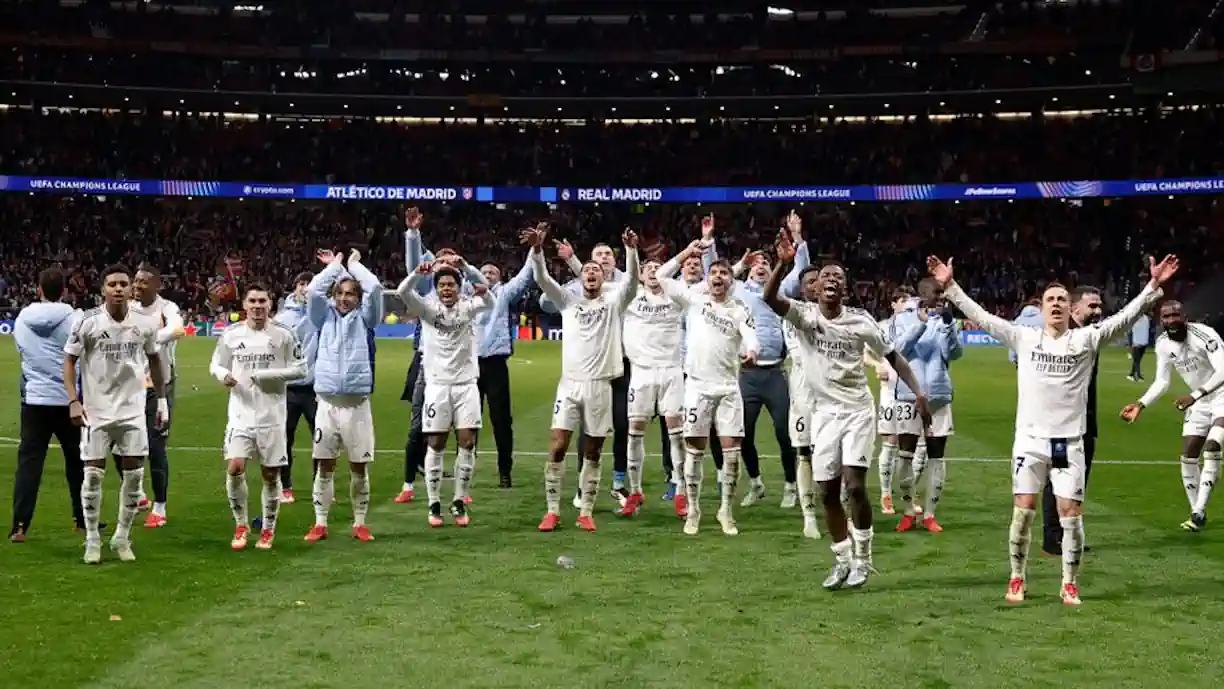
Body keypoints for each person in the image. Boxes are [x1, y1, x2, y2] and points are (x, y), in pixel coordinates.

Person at [930, 254, 1177, 606]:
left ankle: (1069, 582)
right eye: (1051, 299)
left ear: (1070, 307)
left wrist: (1153, 287)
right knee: (1024, 511)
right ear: (1042, 307)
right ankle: (1017, 578)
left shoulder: (1087, 340)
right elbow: (981, 317)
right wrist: (951, 287)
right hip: (1030, 441)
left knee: (1071, 516)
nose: (1057, 304)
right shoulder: (1024, 338)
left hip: (1069, 441)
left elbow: (1125, 318)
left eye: (1062, 299)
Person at [764, 234, 929, 590]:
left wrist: (918, 392)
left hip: (856, 410)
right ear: (815, 287)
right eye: (826, 276)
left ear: (846, 289)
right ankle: (841, 559)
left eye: (839, 277)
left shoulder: (862, 323)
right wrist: (781, 262)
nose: (832, 281)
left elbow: (894, 357)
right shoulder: (803, 316)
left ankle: (864, 560)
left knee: (854, 486)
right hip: (823, 413)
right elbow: (769, 297)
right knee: (826, 491)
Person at [526, 226, 639, 532]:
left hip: (601, 385)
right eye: (586, 270)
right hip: (570, 384)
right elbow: (542, 279)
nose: (591, 273)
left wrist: (630, 250)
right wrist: (537, 251)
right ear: (580, 278)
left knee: (593, 450)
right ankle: (552, 511)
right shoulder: (568, 302)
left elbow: (632, 281)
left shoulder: (614, 303)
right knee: (558, 445)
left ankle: (586, 511)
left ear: (604, 279)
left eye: (596, 271)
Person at [64, 264, 170, 564]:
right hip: (96, 410)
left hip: (132, 410)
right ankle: (92, 539)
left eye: (124, 283)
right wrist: (73, 400)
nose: (120, 288)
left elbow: (155, 360)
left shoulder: (145, 323)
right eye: (113, 284)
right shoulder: (87, 322)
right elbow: (69, 361)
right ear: (103, 290)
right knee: (93, 476)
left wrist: (161, 401)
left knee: (134, 476)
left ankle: (122, 536)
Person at [658, 258, 759, 536]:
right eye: (713, 272)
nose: (718, 277)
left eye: (724, 273)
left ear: (731, 280)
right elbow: (661, 276)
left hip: (727, 388)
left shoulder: (739, 310)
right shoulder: (694, 300)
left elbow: (751, 337)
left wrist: (752, 351)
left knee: (732, 455)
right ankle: (693, 509)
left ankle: (726, 510)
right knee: (695, 451)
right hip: (698, 388)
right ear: (707, 278)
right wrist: (688, 251)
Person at [716, 218, 807, 509]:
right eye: (758, 263)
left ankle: (791, 485)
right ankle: (756, 483)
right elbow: (718, 276)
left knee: (785, 432)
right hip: (747, 375)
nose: (762, 265)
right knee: (744, 433)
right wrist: (741, 264)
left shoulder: (781, 289)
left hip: (776, 374)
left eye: (767, 262)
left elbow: (802, 270)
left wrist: (797, 237)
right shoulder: (739, 290)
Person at [209, 284, 307, 550]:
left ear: (270, 304)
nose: (257, 306)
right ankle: (241, 524)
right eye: (252, 301)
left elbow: (301, 369)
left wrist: (265, 375)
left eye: (262, 300)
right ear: (244, 305)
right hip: (240, 414)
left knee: (270, 475)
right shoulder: (231, 334)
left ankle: (267, 528)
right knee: (235, 467)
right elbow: (216, 363)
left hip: (272, 415)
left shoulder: (284, 334)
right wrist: (222, 375)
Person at [396, 260, 493, 527]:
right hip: (437, 385)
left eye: (451, 284)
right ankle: (434, 502)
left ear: (459, 288)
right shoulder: (427, 310)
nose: (446, 289)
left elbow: (490, 300)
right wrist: (417, 274)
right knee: (435, 444)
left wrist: (469, 269)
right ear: (436, 288)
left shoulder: (468, 307)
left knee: (467, 442)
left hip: (465, 386)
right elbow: (403, 292)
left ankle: (460, 500)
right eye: (442, 285)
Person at [398, 209, 484, 503]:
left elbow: (489, 292)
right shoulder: (426, 286)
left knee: (467, 430)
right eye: (440, 263)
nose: (445, 268)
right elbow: (413, 264)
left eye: (450, 263)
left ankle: (463, 488)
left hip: (463, 368)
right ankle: (409, 484)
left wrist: (468, 268)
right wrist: (413, 234)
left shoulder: (465, 289)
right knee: (417, 427)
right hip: (427, 365)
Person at [545, 238, 635, 507]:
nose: (604, 258)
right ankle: (581, 488)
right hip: (586, 372)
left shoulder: (622, 286)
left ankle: (619, 483)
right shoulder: (578, 289)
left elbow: (629, 283)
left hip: (621, 365)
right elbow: (564, 290)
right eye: (598, 255)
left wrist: (575, 263)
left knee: (622, 425)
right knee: (584, 432)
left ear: (615, 261)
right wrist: (576, 264)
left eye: (608, 254)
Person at [1121, 300, 1224, 532]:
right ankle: (1197, 510)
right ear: (1161, 320)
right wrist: (1141, 404)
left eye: (1175, 315)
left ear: (1184, 316)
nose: (1171, 321)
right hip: (1198, 402)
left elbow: (1223, 369)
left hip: (1221, 396)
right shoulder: (1163, 344)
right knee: (1188, 456)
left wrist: (1195, 395)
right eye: (1166, 317)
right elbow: (1162, 381)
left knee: (1213, 445)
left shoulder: (1204, 335)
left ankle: (1198, 513)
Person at [304, 248, 383, 543]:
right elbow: (313, 291)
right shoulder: (323, 317)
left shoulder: (367, 319)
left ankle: (359, 523)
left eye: (350, 294)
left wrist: (353, 265)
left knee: (358, 466)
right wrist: (335, 267)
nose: (344, 298)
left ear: (358, 298)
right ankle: (320, 523)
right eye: (340, 293)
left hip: (357, 404)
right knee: (324, 465)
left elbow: (374, 287)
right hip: (326, 403)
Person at [10, 268, 84, 542]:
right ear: (64, 290)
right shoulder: (75, 319)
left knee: (29, 463)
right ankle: (82, 519)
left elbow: (23, 353)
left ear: (39, 289)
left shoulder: (22, 319)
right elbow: (81, 355)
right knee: (77, 461)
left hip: (35, 399)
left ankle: (19, 525)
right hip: (68, 399)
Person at [892, 278, 963, 534]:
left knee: (936, 456)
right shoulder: (902, 318)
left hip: (939, 396)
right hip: (908, 395)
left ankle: (930, 514)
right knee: (905, 455)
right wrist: (921, 324)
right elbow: (897, 350)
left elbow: (954, 354)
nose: (942, 298)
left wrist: (948, 326)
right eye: (937, 293)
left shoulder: (946, 320)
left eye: (944, 293)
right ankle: (909, 510)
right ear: (923, 294)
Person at [1038, 285, 1103, 557]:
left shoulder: (1089, 337)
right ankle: (1054, 537)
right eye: (1092, 306)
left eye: (1100, 306)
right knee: (1059, 478)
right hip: (1064, 425)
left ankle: (1065, 533)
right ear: (1074, 308)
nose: (1098, 311)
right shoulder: (1066, 338)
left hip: (1085, 421)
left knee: (1076, 481)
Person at [474, 241, 537, 489]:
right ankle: (465, 467)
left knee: (501, 421)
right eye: (484, 271)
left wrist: (535, 249)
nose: (488, 275)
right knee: (468, 420)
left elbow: (525, 276)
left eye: (493, 272)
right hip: (469, 366)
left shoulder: (504, 294)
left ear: (499, 279)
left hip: (496, 365)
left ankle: (504, 471)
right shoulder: (466, 294)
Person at [129, 265, 185, 527]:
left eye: (143, 282)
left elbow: (177, 330)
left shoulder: (166, 308)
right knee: (126, 442)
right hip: (130, 386)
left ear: (156, 286)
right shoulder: (127, 309)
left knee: (155, 445)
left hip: (159, 386)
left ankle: (159, 506)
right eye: (136, 281)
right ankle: (139, 494)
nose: (138, 286)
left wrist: (148, 338)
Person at [273, 271, 320, 504]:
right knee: (284, 439)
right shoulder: (282, 318)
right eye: (302, 283)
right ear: (295, 287)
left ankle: (320, 486)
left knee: (322, 439)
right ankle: (285, 486)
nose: (305, 288)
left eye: (310, 284)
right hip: (288, 389)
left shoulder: (321, 313)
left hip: (314, 388)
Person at [872, 287, 914, 515]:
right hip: (889, 391)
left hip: (909, 391)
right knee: (891, 441)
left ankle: (908, 493)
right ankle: (885, 494)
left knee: (912, 445)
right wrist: (877, 365)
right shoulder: (882, 327)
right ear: (894, 304)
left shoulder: (915, 326)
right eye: (903, 303)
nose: (908, 308)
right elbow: (865, 351)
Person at [1128, 311, 1152, 381]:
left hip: (1143, 343)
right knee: (1137, 361)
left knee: (1137, 361)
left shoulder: (1145, 319)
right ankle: (1138, 376)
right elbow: (1130, 331)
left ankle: (1131, 374)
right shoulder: (1135, 320)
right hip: (1136, 343)